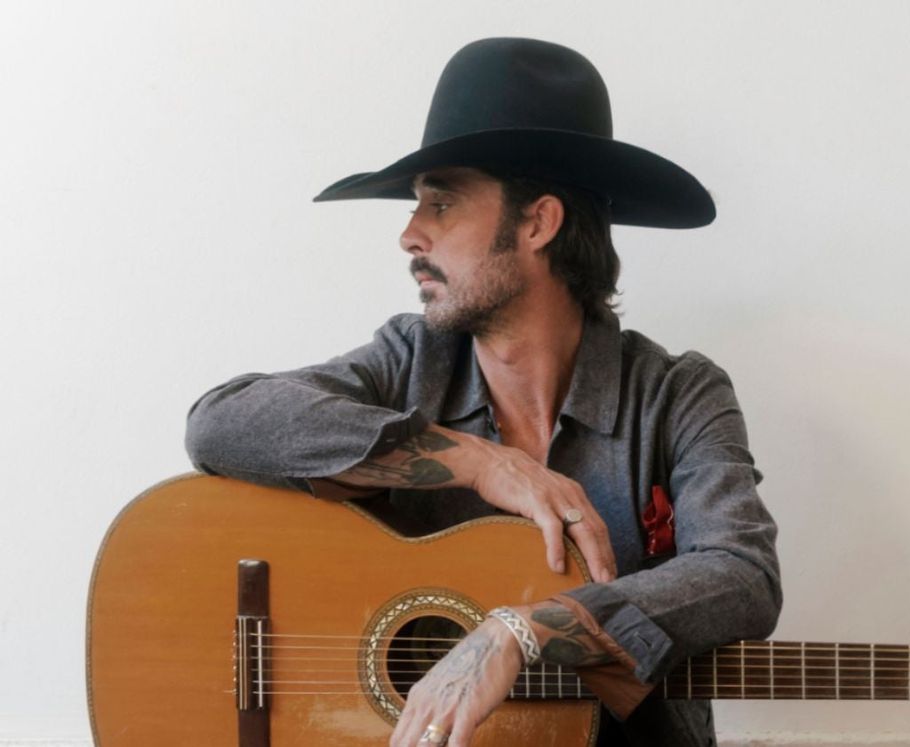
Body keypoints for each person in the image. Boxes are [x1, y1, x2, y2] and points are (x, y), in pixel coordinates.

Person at [185, 37, 781, 747]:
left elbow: (742, 574)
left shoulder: (678, 393)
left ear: (538, 222)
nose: (410, 235)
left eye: (440, 203)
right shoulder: (411, 359)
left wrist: (520, 631)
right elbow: (219, 423)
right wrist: (480, 462)